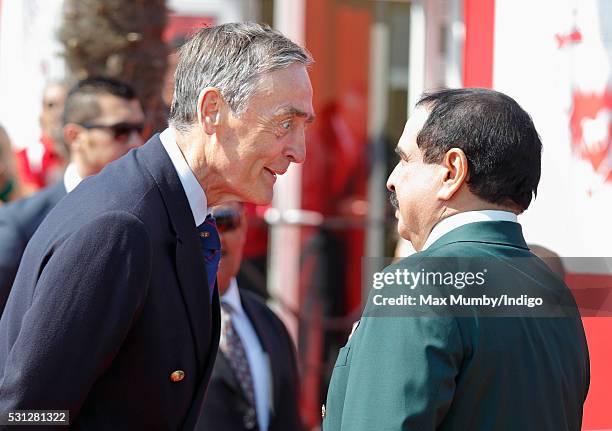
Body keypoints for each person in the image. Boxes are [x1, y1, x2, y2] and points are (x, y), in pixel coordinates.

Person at [0, 22, 313, 429]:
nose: (299, 151)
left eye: (304, 126)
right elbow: (25, 415)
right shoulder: (120, 226)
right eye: (285, 123)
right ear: (212, 111)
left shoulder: (174, 212)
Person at [322, 88, 589, 430]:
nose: (391, 180)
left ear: (452, 171)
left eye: (405, 160)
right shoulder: (553, 290)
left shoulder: (418, 284)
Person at [0, 76, 145, 315]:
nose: (137, 142)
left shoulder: (150, 210)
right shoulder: (21, 225)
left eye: (140, 129)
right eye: (120, 131)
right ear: (75, 136)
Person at [196, 202, 302, 431]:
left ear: (243, 226)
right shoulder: (162, 323)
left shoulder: (270, 323)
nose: (216, 237)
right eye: (202, 226)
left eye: (225, 222)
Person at [14, 81, 69, 194]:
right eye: (51, 105)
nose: (59, 111)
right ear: (42, 115)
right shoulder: (27, 158)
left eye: (65, 103)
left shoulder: (84, 151)